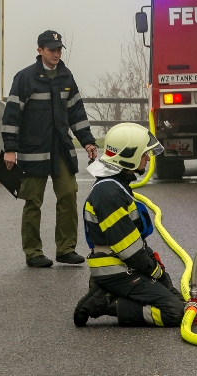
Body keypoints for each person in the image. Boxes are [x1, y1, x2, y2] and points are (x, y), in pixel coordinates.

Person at [73, 122, 184, 327]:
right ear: (128, 156)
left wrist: (159, 273)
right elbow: (129, 249)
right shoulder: (109, 194)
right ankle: (104, 303)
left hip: (125, 266)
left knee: (182, 303)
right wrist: (155, 272)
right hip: (116, 270)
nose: (148, 158)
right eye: (144, 154)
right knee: (174, 312)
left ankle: (106, 292)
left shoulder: (116, 187)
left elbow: (134, 240)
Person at [2, 30, 98, 268]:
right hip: (33, 151)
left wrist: (88, 141)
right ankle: (33, 252)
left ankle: (66, 249)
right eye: (51, 50)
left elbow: (77, 112)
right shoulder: (25, 78)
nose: (56, 54)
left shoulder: (66, 76)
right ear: (40, 50)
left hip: (61, 149)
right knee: (33, 201)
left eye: (59, 50)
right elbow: (12, 115)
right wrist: (10, 149)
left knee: (68, 193)